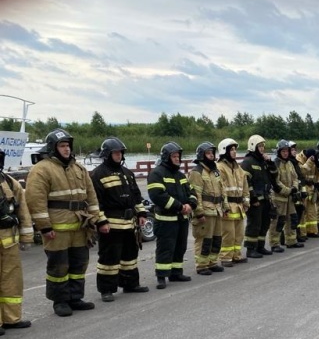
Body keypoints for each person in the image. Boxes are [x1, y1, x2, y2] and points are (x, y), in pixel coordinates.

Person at [25, 128, 108, 316]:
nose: (66, 149)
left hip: (80, 227)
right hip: (57, 228)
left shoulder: (79, 169)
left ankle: (75, 297)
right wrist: (44, 227)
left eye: (68, 145)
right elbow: (35, 200)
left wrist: (97, 220)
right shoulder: (42, 169)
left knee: (79, 264)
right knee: (59, 266)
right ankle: (60, 301)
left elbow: (92, 197)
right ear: (53, 148)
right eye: (62, 146)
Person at [90, 137, 149, 302]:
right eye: (115, 152)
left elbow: (136, 196)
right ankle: (106, 290)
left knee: (130, 257)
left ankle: (130, 284)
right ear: (107, 154)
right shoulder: (98, 174)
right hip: (111, 224)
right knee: (109, 259)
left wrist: (142, 214)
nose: (118, 155)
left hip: (129, 224)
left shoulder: (127, 173)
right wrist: (101, 221)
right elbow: (96, 202)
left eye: (120, 152)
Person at [147, 141, 197, 289]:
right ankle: (161, 276)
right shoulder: (157, 173)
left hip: (181, 220)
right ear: (166, 157)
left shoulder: (181, 175)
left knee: (180, 247)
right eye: (174, 156)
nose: (177, 159)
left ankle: (176, 272)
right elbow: (157, 195)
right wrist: (180, 206)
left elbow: (192, 192)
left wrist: (190, 204)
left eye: (178, 156)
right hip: (165, 220)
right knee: (165, 248)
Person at [0, 150, 34, 333]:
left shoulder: (9, 182)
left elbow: (22, 211)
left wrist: (27, 236)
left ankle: (11, 319)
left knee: (12, 281)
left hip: (9, 242)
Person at [188, 142, 226, 275]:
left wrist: (225, 207)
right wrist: (199, 213)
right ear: (201, 155)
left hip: (217, 210)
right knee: (204, 239)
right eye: (208, 153)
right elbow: (195, 194)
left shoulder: (215, 171)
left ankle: (212, 262)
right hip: (205, 212)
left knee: (216, 239)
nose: (211, 156)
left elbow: (222, 189)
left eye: (212, 153)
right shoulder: (196, 172)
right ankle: (202, 265)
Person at [216, 138, 249, 266]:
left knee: (239, 234)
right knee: (228, 234)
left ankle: (236, 255)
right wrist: (224, 207)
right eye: (232, 150)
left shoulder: (238, 168)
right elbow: (220, 188)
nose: (235, 152)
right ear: (224, 151)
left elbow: (245, 187)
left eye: (235, 149)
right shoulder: (220, 167)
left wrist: (246, 202)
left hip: (239, 207)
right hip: (228, 206)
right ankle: (225, 258)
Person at [241, 134, 274, 258]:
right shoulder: (247, 162)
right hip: (255, 200)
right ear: (253, 146)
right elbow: (246, 182)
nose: (262, 149)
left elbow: (273, 177)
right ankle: (250, 249)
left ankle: (260, 246)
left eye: (262, 146)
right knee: (254, 224)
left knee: (264, 223)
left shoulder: (263, 161)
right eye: (259, 146)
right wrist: (252, 198)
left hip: (265, 198)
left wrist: (270, 164)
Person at [268, 139, 302, 251]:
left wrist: (295, 188)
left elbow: (295, 178)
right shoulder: (276, 164)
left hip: (290, 197)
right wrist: (288, 190)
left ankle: (291, 241)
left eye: (287, 151)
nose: (286, 153)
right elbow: (276, 182)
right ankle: (274, 244)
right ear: (279, 152)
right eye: (283, 151)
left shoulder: (290, 163)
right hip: (279, 198)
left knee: (292, 219)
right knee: (278, 221)